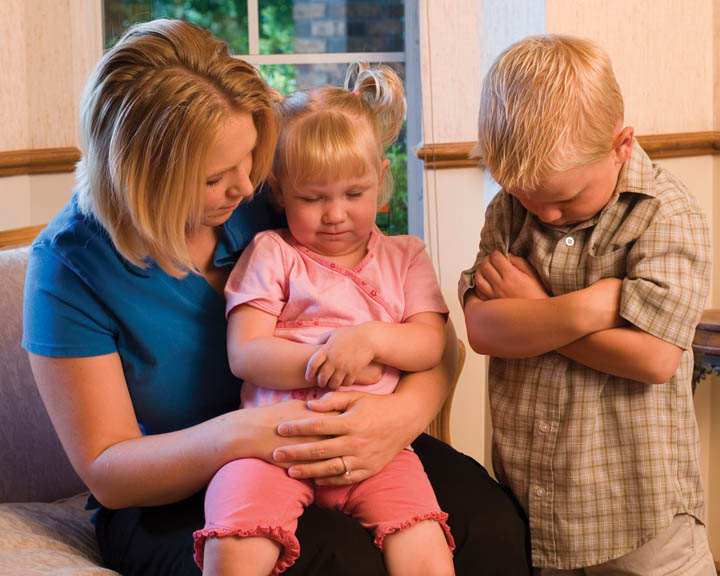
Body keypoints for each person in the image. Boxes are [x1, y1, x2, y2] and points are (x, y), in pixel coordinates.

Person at [21, 18, 530, 576]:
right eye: (218, 177)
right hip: (173, 487)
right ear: (145, 176)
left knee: (492, 527)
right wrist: (249, 433)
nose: (245, 187)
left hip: (344, 432)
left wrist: (397, 419)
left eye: (251, 162)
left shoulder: (283, 193)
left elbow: (438, 345)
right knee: (336, 560)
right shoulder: (68, 267)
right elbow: (107, 468)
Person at [460, 34, 715, 575]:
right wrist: (584, 308)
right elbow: (483, 328)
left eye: (565, 198)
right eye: (527, 197)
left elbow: (653, 359)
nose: (545, 215)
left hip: (642, 519)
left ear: (621, 145)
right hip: (533, 502)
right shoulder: (509, 210)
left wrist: (532, 309)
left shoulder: (666, 215)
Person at [193, 63, 455, 576]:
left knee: (425, 548)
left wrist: (371, 340)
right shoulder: (271, 251)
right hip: (272, 448)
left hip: (374, 453)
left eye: (353, 194)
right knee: (236, 545)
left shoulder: (406, 256)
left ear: (382, 181)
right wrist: (325, 362)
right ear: (279, 193)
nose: (335, 213)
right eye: (313, 198)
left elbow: (430, 345)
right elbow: (245, 352)